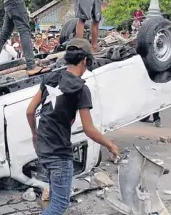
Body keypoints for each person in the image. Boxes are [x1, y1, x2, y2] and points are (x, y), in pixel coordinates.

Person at [26, 38, 119, 214]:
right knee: (59, 204)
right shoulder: (81, 89)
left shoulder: (51, 77)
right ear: (85, 60)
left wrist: (34, 134)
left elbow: (30, 111)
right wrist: (111, 145)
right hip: (59, 152)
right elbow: (89, 129)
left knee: (55, 194)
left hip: (43, 147)